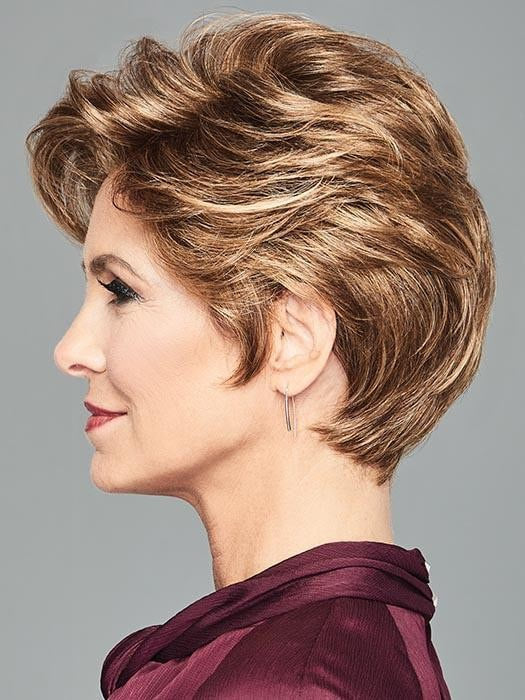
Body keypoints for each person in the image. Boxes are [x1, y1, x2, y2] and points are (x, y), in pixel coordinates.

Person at [25, 10, 495, 699]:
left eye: (120, 291)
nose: (72, 350)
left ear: (291, 339)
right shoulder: (322, 653)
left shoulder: (294, 683)